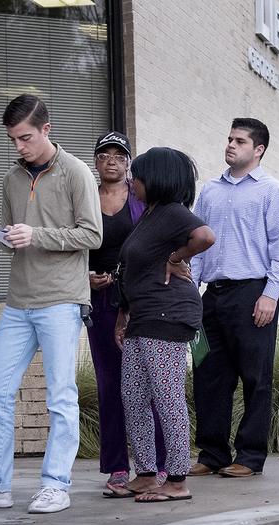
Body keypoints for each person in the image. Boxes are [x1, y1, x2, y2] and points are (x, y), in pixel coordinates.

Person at [0, 94, 102, 513]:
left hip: (61, 300)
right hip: (19, 301)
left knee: (60, 397)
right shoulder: (12, 179)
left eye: (26, 138)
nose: (19, 146)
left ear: (46, 130)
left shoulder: (77, 173)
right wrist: (14, 236)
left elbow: (92, 235)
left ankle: (56, 484)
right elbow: (19, 232)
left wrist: (37, 235)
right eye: (13, 139)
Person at [106, 147, 215, 502]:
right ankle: (148, 473)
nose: (130, 180)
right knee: (134, 397)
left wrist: (176, 257)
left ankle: (178, 479)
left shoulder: (172, 212)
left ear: (157, 179)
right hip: (144, 315)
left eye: (135, 175)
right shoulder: (150, 216)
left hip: (168, 315)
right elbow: (133, 268)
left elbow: (205, 237)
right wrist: (124, 313)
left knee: (167, 398)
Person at [190, 118, 279, 478]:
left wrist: (271, 294)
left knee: (255, 377)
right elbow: (198, 245)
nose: (231, 145)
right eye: (230, 138)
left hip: (254, 294)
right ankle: (212, 452)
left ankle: (249, 456)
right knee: (208, 374)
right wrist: (192, 289)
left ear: (258, 149)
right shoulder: (209, 191)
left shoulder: (271, 191)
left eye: (240, 141)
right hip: (212, 297)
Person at [86, 131, 167, 489]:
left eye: (119, 154)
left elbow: (160, 240)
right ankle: (118, 467)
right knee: (110, 384)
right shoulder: (84, 197)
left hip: (142, 301)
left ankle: (160, 463)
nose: (112, 160)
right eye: (105, 154)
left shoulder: (141, 196)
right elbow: (72, 245)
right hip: (101, 302)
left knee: (150, 383)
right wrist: (83, 277)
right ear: (96, 161)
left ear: (128, 161)